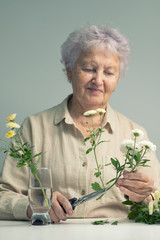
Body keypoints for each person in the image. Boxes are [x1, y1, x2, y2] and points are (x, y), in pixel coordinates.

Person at [0, 25, 160, 223]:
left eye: (109, 72)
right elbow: (3, 195)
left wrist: (146, 197)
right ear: (69, 71)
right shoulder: (34, 128)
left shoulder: (136, 135)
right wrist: (33, 206)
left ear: (117, 79)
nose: (98, 80)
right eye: (89, 69)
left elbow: (156, 200)